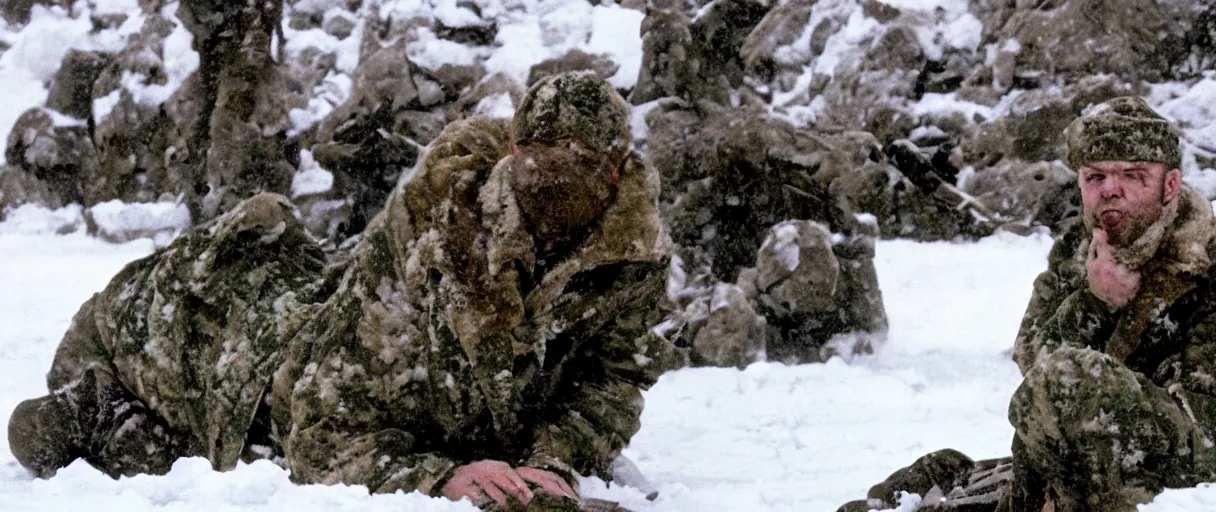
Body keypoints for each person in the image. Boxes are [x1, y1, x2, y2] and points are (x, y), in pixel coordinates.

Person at [8, 71, 681, 512]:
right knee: (196, 448)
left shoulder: (629, 263)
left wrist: (554, 460)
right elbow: (324, 434)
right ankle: (87, 409)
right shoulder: (436, 239)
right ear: (511, 159)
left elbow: (609, 383)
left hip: (327, 324)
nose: (560, 184)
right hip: (210, 343)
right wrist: (436, 479)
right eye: (541, 164)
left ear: (621, 175)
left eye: (586, 167)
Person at [838, 96, 1216, 512]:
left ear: (1171, 186)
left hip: (1181, 463)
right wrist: (1094, 302)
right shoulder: (1079, 248)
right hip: (1081, 452)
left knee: (1071, 379)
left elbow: (1204, 431)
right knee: (923, 479)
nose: (1111, 189)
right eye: (1095, 177)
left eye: (1132, 175)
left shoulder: (1205, 261)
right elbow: (1033, 362)